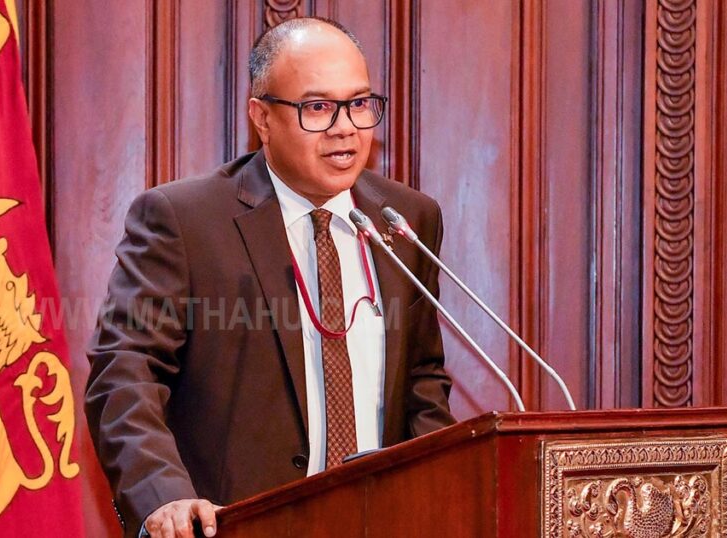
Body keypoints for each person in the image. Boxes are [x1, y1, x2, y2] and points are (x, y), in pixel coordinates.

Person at [85, 17, 455, 538]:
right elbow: (125, 370)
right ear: (262, 117)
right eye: (318, 107)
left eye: (359, 103)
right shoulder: (184, 221)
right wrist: (162, 496)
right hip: (238, 524)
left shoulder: (407, 219)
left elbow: (421, 379)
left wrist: (442, 495)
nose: (346, 127)